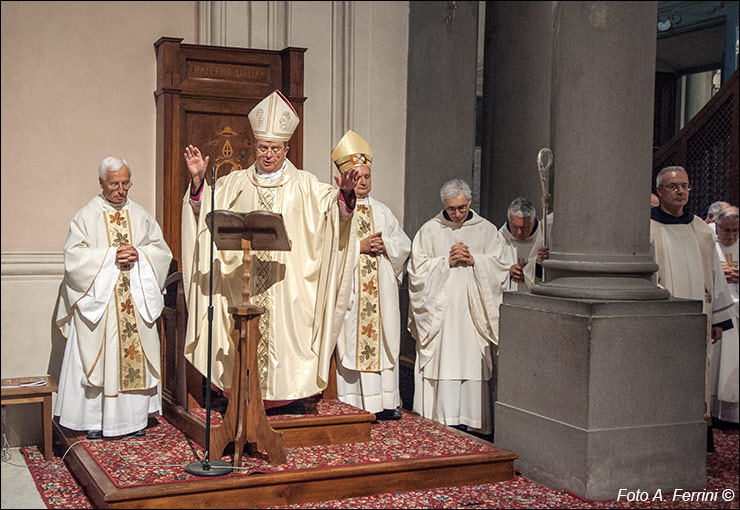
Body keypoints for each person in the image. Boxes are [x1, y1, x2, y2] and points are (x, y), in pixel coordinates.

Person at [181, 90, 360, 410]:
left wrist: (345, 195)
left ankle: (287, 398)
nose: (268, 154)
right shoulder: (234, 183)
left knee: (288, 338)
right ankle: (239, 397)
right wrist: (197, 184)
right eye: (263, 147)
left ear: (286, 149)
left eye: (275, 148)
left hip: (287, 290)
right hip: (243, 288)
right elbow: (205, 215)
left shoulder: (306, 185)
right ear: (254, 146)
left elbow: (337, 216)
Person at [54, 157, 172, 439]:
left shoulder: (141, 215)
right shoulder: (86, 215)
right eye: (114, 184)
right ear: (101, 183)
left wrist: (141, 255)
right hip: (102, 303)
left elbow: (161, 251)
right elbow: (74, 259)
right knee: (100, 358)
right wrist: (110, 257)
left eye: (125, 183)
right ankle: (94, 422)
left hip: (134, 298)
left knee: (132, 359)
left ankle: (133, 422)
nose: (121, 190)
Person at [407, 179, 505, 434]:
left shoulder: (486, 231)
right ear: (444, 205)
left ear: (470, 202)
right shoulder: (429, 231)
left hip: (473, 316)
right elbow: (416, 272)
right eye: (451, 209)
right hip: (443, 318)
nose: (458, 214)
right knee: (445, 360)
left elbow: (501, 267)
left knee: (472, 360)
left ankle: (473, 423)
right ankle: (442, 419)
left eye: (462, 207)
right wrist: (444, 262)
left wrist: (476, 261)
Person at [650, 166, 734, 450]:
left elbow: (715, 275)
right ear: (659, 190)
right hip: (660, 321)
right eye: (673, 187)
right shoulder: (646, 227)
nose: (680, 191)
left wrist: (719, 320)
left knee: (697, 375)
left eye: (684, 186)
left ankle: (695, 440)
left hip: (699, 319)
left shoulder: (700, 228)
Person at [331, 131, 411, 421]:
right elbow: (327, 247)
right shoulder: (335, 208)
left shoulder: (383, 211)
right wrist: (359, 247)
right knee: (353, 344)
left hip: (380, 293)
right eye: (357, 176)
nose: (363, 181)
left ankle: (385, 403)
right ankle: (355, 404)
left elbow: (403, 244)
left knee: (383, 344)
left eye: (367, 176)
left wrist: (385, 245)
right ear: (344, 178)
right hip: (352, 291)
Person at [710, 206, 739, 424]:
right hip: (721, 313)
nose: (731, 236)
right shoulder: (709, 243)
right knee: (721, 363)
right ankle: (717, 412)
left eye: (736, 231)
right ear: (717, 227)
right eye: (726, 231)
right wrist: (719, 273)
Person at [494, 197, 550, 293]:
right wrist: (508, 272)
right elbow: (489, 269)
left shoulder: (544, 238)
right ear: (509, 220)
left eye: (524, 227)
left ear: (534, 222)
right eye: (515, 227)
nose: (519, 232)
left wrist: (538, 264)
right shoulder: (499, 238)